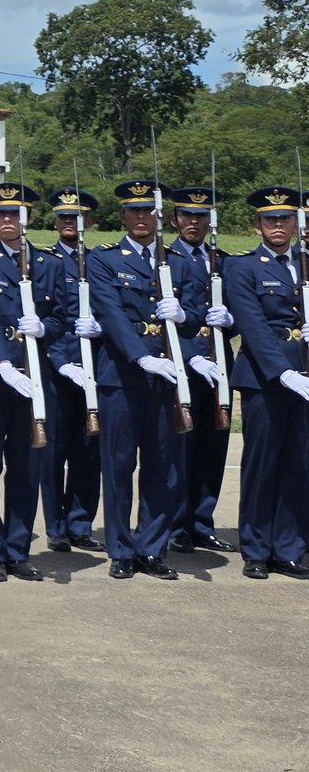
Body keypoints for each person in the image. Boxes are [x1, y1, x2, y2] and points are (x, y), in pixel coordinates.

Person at [84, 179, 204, 580]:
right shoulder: (103, 259)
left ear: (158, 216)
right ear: (122, 216)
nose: (140, 218)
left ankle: (152, 547)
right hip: (121, 375)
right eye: (133, 211)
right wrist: (140, 356)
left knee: (162, 465)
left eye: (147, 211)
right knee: (118, 465)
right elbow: (111, 314)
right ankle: (121, 548)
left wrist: (185, 315)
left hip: (167, 377)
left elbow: (198, 315)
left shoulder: (180, 262)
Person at [0, 182, 67, 582]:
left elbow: (60, 316)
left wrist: (44, 328)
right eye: (2, 213)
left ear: (30, 218)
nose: (9, 220)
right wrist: (3, 363)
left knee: (27, 467)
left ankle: (17, 548)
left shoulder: (49, 264)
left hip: (35, 378)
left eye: (17, 213)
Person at [224, 186, 309, 579]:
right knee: (261, 463)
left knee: (298, 464)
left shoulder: (306, 263)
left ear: (296, 222)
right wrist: (284, 372)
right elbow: (253, 327)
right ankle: (256, 548)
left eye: (285, 218)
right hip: (265, 378)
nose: (279, 225)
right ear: (257, 225)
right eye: (271, 219)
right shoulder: (243, 268)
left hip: (305, 377)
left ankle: (288, 547)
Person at [165, 186, 238, 555]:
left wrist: (231, 319)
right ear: (175, 219)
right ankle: (176, 523)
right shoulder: (165, 260)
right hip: (181, 363)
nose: (194, 223)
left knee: (214, 444)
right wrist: (194, 351)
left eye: (201, 217)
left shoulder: (221, 261)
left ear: (209, 221)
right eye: (187, 216)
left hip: (219, 364)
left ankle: (202, 521)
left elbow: (241, 312)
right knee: (183, 447)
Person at [44, 187, 105, 552]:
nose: (71, 223)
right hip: (56, 368)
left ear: (91, 221)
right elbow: (47, 318)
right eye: (65, 217)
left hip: (95, 368)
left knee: (89, 449)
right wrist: (63, 361)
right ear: (55, 221)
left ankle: (80, 522)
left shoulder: (99, 262)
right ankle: (55, 526)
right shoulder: (44, 261)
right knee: (55, 450)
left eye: (79, 217)